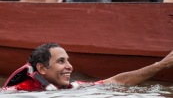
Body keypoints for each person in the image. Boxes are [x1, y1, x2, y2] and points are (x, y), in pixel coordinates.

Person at [2, 42, 173, 91]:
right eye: (61, 61)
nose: (70, 66)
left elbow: (117, 81)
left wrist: (161, 65)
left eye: (68, 60)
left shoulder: (71, 87)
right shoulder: (20, 91)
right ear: (42, 69)